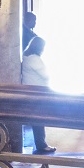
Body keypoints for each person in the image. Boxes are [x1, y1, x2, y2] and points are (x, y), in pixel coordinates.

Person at [19, 14, 54, 155]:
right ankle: (41, 144)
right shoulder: (34, 59)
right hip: (36, 92)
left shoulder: (27, 56)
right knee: (39, 119)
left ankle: (41, 143)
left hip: (31, 90)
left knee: (37, 119)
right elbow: (46, 75)